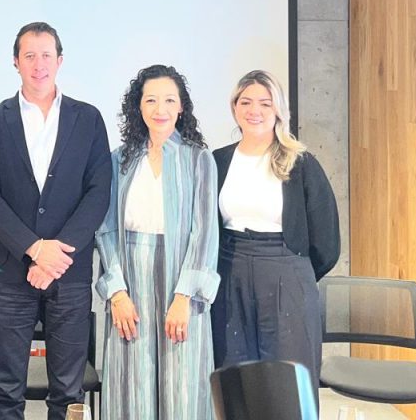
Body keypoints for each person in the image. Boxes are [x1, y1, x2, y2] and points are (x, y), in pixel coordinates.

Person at [0, 22, 112, 420]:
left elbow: (98, 193)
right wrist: (34, 249)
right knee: (6, 390)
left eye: (46, 55)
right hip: (9, 274)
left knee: (68, 393)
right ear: (15, 62)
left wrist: (55, 257)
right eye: (29, 55)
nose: (39, 64)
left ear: (60, 61)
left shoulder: (88, 119)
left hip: (69, 274)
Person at [96, 64, 219, 420]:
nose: (159, 109)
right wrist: (116, 293)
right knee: (131, 387)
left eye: (169, 100)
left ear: (181, 107)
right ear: (138, 106)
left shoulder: (198, 159)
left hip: (181, 282)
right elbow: (105, 228)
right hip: (130, 282)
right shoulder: (120, 160)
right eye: (150, 100)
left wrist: (185, 296)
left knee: (182, 386)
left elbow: (204, 231)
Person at [211, 69, 339, 404]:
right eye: (246, 102)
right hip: (230, 273)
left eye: (265, 103)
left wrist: (296, 276)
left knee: (288, 380)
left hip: (286, 273)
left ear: (278, 110)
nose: (254, 110)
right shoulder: (218, 161)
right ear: (234, 107)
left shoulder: (300, 162)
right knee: (235, 374)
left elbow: (326, 242)